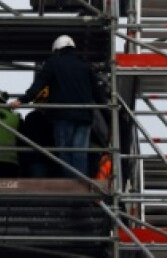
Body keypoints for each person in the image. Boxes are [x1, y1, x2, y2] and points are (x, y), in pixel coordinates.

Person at [11, 35, 100, 178]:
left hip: (63, 115)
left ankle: (71, 183)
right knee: (80, 152)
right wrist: (109, 108)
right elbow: (97, 92)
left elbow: (39, 84)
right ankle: (81, 182)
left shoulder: (53, 63)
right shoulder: (85, 66)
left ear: (57, 49)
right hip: (85, 117)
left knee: (64, 151)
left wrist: (23, 99)